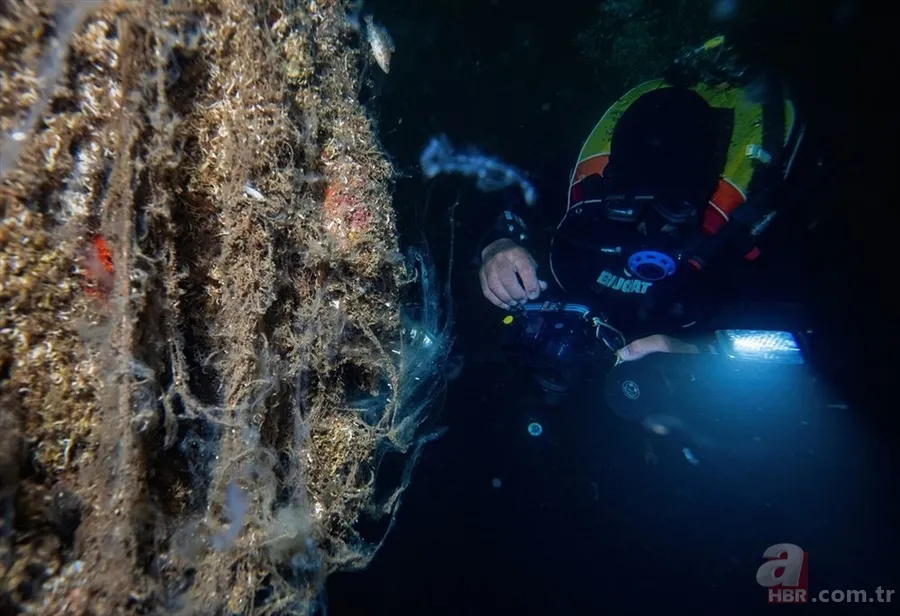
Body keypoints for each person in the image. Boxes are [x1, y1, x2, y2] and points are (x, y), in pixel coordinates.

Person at [477, 37, 806, 378]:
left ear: (708, 185)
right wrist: (497, 245)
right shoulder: (577, 189)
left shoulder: (748, 233)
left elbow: (802, 338)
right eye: (623, 199)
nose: (641, 219)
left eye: (669, 206)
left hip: (681, 386)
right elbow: (497, 191)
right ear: (608, 173)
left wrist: (700, 352)